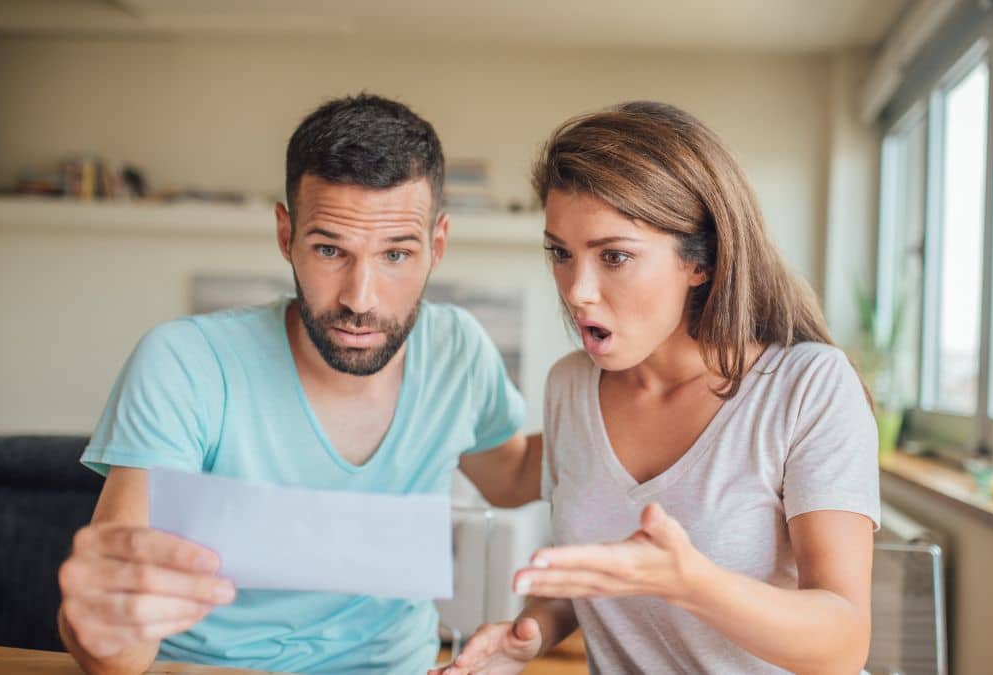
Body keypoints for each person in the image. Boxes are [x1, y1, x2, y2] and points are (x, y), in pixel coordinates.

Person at [56, 93, 542, 675]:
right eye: (330, 249)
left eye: (395, 253)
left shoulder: (457, 349)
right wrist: (100, 625)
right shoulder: (184, 363)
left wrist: (636, 398)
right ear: (286, 235)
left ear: (436, 245)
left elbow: (511, 475)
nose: (360, 300)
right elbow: (115, 651)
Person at [436, 101, 880, 675]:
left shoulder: (807, 388)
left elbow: (844, 644)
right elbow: (598, 581)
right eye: (561, 254)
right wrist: (534, 632)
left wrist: (692, 583)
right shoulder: (571, 387)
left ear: (700, 261)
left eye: (613, 256)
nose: (576, 291)